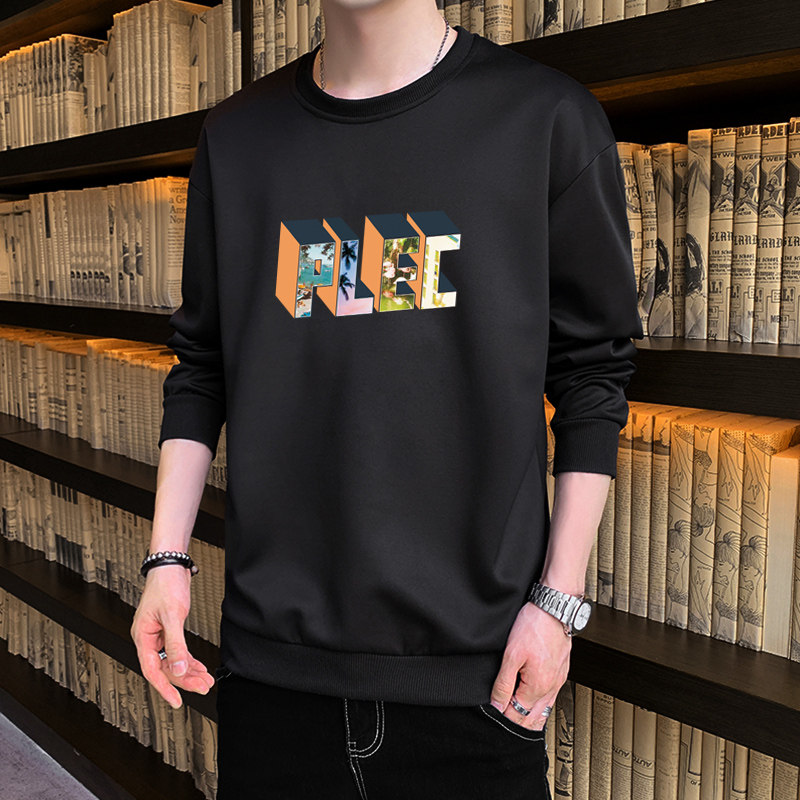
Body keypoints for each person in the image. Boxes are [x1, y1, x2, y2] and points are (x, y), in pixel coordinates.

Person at [130, 0, 643, 797]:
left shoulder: (545, 120)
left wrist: (558, 604)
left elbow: (592, 376)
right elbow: (202, 366)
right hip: (274, 671)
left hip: (477, 680)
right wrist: (166, 561)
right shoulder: (236, 139)